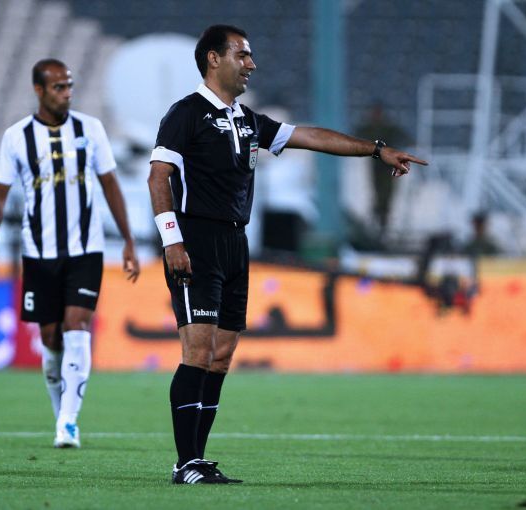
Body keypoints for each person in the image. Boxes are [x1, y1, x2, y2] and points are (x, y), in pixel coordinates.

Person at [148, 25, 427, 484]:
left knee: (221, 354)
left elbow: (310, 137)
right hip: (196, 241)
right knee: (197, 350)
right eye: (242, 55)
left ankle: (196, 459)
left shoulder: (246, 119)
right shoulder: (186, 113)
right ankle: (186, 463)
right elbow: (159, 176)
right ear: (214, 59)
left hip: (236, 243)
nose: (251, 64)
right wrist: (172, 240)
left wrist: (375, 150)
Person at [0, 58, 140, 448]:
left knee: (77, 325)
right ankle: (61, 416)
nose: (67, 93)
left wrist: (128, 240)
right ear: (39, 90)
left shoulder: (91, 129)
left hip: (86, 249)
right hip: (39, 253)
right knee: (51, 336)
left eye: (69, 86)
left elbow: (111, 185)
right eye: (58, 87)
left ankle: (69, 421)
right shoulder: (17, 137)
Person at [356, 102, 410, 238]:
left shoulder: (387, 128)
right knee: (378, 194)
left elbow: (402, 137)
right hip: (377, 166)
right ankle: (379, 221)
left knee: (386, 195)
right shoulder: (371, 128)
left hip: (388, 166)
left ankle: (382, 223)